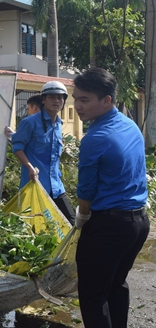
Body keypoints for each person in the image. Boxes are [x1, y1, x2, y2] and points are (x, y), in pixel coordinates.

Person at [73, 68, 149, 328]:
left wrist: (82, 216)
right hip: (138, 223)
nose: (77, 106)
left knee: (93, 296)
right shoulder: (129, 126)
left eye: (85, 100)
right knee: (116, 285)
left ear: (106, 101)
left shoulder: (95, 138)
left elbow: (86, 191)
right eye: (76, 98)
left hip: (109, 226)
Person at [11, 81, 75, 224]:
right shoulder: (30, 122)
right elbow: (17, 147)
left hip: (56, 187)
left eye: (60, 98)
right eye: (52, 97)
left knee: (71, 222)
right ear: (43, 100)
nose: (56, 101)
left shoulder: (59, 124)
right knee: (37, 226)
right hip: (36, 185)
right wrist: (29, 167)